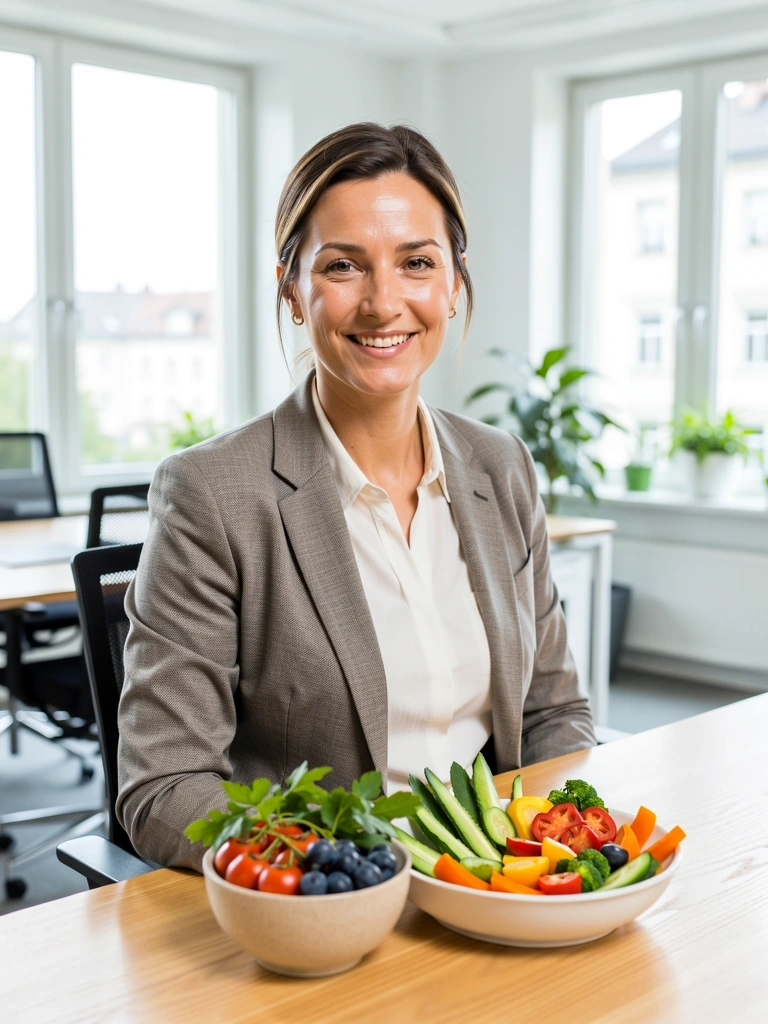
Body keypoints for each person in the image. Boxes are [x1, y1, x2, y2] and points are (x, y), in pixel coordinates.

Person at [116, 123, 595, 870]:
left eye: (416, 263)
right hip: (331, 912)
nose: (383, 302)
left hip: (502, 892)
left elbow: (554, 713)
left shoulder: (501, 467)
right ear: (294, 293)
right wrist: (347, 874)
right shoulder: (214, 494)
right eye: (343, 266)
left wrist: (558, 850)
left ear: (454, 286)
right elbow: (164, 787)